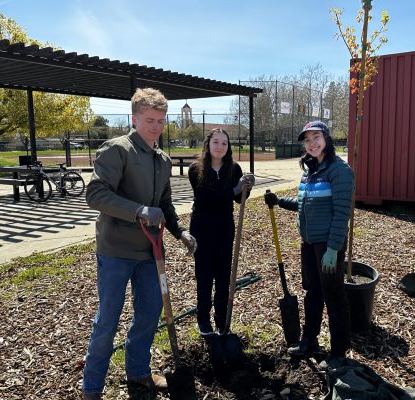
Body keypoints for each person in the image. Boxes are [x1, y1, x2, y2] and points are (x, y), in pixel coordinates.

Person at [82, 88, 198, 400]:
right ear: (134, 119)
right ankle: (91, 388)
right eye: (149, 120)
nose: (156, 126)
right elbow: (95, 194)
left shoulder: (162, 160)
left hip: (151, 251)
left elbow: (165, 204)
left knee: (149, 314)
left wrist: (180, 232)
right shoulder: (117, 150)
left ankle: (138, 372)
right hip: (116, 251)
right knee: (107, 320)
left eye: (161, 120)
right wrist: (137, 211)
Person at [264, 120, 353, 362]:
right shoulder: (309, 171)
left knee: (334, 296)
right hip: (309, 243)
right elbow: (304, 206)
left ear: (326, 139)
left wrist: (334, 249)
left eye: (316, 137)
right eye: (307, 139)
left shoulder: (339, 170)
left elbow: (342, 213)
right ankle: (309, 339)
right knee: (312, 292)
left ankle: (338, 352)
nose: (312, 143)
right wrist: (279, 202)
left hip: (328, 246)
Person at [188, 128, 255, 336]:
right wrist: (235, 189)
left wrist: (246, 187)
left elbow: (236, 200)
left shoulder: (233, 169)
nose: (220, 147)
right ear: (208, 144)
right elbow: (207, 199)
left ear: (228, 147)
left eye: (224, 143)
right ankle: (203, 320)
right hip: (202, 228)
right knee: (205, 275)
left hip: (225, 228)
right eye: (216, 142)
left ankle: (221, 320)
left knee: (224, 276)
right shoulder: (196, 169)